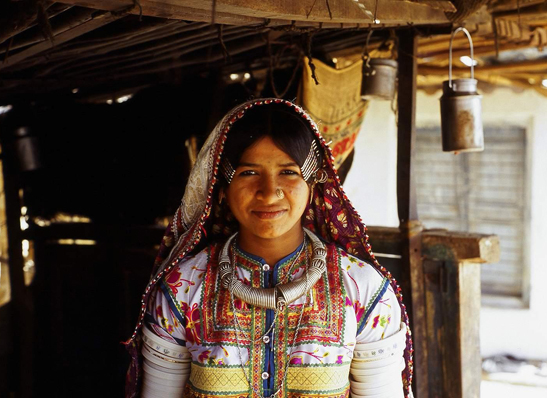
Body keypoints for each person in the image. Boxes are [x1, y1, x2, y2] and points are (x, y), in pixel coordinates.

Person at [124, 99, 413, 398]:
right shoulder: (182, 288)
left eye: (288, 172)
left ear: (312, 185)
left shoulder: (363, 289)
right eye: (249, 173)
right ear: (221, 189)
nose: (269, 192)